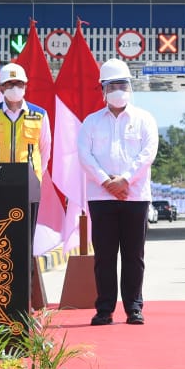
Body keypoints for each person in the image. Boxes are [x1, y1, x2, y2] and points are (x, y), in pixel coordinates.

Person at [76, 58, 159, 326]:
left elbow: (148, 154)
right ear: (102, 89)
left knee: (134, 255)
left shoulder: (145, 119)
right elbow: (84, 155)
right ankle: (104, 309)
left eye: (122, 84)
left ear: (130, 87)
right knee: (105, 255)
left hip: (135, 196)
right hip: (101, 197)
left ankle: (134, 307)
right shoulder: (91, 122)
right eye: (112, 86)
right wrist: (106, 181)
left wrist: (124, 180)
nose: (118, 90)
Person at [0, 62, 51, 179]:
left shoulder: (39, 115)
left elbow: (45, 150)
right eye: (9, 83)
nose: (15, 88)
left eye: (19, 83)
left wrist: (35, 176)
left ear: (25, 86)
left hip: (29, 181)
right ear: (1, 87)